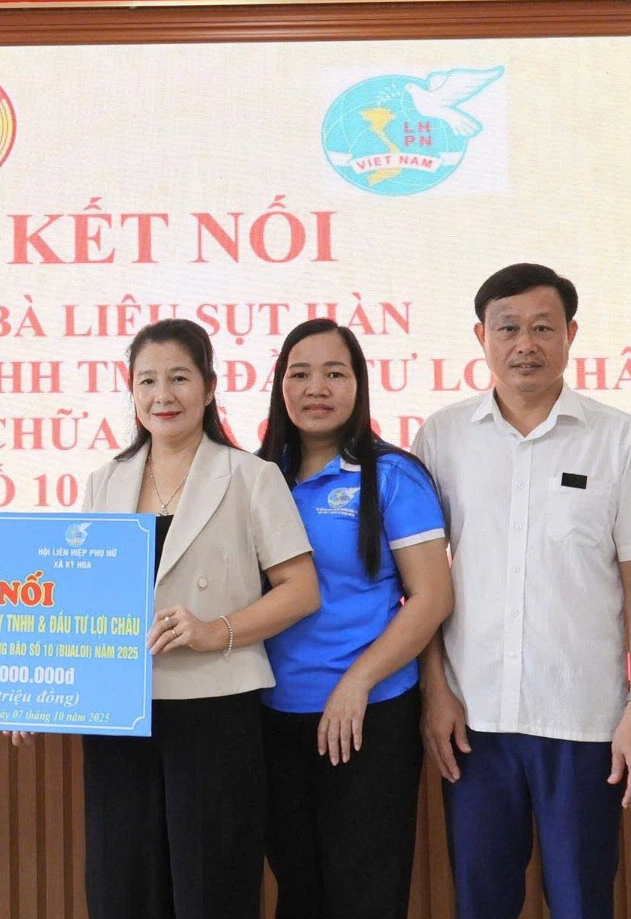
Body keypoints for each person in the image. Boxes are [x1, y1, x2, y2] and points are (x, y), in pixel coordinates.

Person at [413, 263, 631, 919]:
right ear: (481, 337)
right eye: (508, 329)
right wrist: (435, 691)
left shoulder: (616, 437)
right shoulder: (442, 437)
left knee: (582, 902)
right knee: (483, 902)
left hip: (584, 719)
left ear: (571, 334)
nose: (525, 344)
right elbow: (420, 582)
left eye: (543, 328)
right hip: (474, 719)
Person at [78, 318, 319, 919]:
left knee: (212, 889)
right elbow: (81, 600)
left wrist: (216, 632)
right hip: (119, 715)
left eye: (180, 378)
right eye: (147, 381)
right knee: (123, 888)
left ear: (210, 387)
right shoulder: (104, 481)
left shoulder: (251, 476)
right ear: (131, 391)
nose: (163, 395)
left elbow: (301, 590)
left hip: (215, 708)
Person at [257, 319, 453, 919]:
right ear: (281, 386)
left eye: (334, 374)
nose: (316, 388)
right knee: (298, 894)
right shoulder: (260, 476)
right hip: (272, 716)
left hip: (369, 715)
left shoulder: (392, 474)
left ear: (358, 385)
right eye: (300, 374)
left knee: (364, 895)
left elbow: (432, 597)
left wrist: (357, 682)